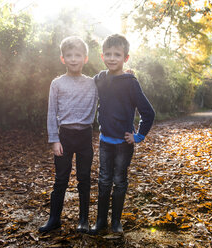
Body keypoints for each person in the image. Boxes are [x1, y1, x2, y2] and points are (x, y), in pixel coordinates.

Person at [90, 34, 155, 234]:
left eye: (117, 54)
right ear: (102, 56)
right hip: (105, 142)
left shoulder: (130, 83)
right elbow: (85, 91)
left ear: (125, 58)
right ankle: (101, 221)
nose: (112, 58)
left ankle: (116, 221)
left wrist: (138, 136)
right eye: (108, 54)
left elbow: (148, 112)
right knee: (103, 180)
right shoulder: (100, 78)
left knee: (119, 180)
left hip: (123, 145)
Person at [39, 36, 98, 234]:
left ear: (85, 58)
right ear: (63, 58)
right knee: (61, 179)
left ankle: (83, 220)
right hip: (64, 137)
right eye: (69, 55)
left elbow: (112, 82)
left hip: (84, 137)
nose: (74, 59)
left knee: (84, 178)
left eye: (78, 55)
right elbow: (51, 112)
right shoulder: (57, 83)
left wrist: (127, 74)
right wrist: (54, 139)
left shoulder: (94, 83)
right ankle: (54, 219)